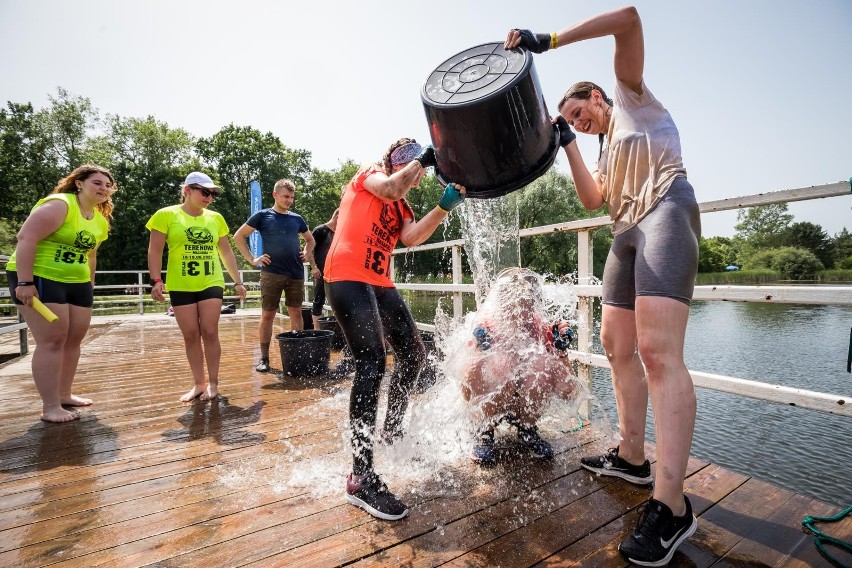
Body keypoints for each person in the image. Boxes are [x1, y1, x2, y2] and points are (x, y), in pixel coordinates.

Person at [506, 7, 701, 565]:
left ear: (596, 94)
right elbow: (594, 201)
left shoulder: (631, 96)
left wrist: (550, 40)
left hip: (665, 209)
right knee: (618, 348)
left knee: (660, 354)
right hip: (624, 231)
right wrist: (568, 141)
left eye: (579, 112)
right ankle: (633, 457)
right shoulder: (601, 147)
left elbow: (630, 18)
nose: (581, 120)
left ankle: (672, 504)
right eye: (572, 117)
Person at [324, 138, 465, 520]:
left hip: (380, 281)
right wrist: (422, 161)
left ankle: (391, 430)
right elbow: (389, 187)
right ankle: (360, 476)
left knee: (414, 355)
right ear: (393, 161)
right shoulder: (369, 173)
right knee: (371, 362)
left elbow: (412, 237)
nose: (413, 171)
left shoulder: (404, 204)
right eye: (406, 161)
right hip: (347, 276)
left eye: (416, 162)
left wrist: (443, 206)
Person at [5, 165, 117, 422]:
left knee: (74, 338)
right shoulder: (60, 205)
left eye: (107, 185)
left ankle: (65, 394)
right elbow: (26, 239)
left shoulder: (100, 220)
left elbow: (91, 255)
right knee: (52, 339)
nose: (103, 188)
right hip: (41, 277)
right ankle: (50, 406)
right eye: (97, 183)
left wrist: (89, 284)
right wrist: (24, 282)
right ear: (79, 184)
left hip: (76, 282)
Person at [452, 268, 579, 467]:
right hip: (489, 405)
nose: (520, 315)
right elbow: (466, 386)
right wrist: (480, 352)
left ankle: (526, 427)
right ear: (501, 304)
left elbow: (568, 391)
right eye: (514, 306)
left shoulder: (542, 329)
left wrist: (560, 350)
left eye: (528, 306)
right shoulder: (486, 328)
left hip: (520, 405)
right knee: (502, 362)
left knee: (542, 366)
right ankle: (484, 431)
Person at [147, 171, 247, 402]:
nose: (209, 197)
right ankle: (198, 384)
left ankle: (213, 384)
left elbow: (225, 251)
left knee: (210, 331)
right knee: (191, 335)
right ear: (187, 190)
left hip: (210, 281)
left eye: (212, 194)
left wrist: (237, 281)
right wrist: (156, 281)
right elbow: (155, 250)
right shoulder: (165, 215)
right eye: (204, 192)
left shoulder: (215, 218)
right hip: (181, 283)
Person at [233, 179, 316, 373]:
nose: (289, 201)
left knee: (295, 311)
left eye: (292, 197)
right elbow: (239, 236)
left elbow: (310, 240)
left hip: (295, 272)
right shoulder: (262, 216)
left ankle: (298, 354)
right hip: (272, 273)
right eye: (286, 196)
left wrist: (307, 252)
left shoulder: (297, 219)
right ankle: (264, 358)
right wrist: (253, 259)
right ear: (275, 195)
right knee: (268, 314)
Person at [307, 208, 339, 329]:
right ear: (337, 217)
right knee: (318, 300)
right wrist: (314, 268)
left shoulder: (339, 233)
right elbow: (308, 250)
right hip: (320, 272)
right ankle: (317, 331)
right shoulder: (320, 231)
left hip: (336, 273)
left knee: (338, 301)